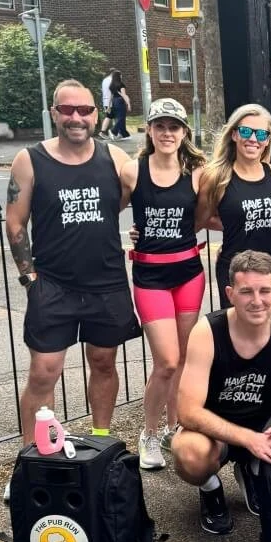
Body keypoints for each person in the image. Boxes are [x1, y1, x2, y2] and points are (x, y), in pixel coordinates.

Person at [3, 78, 140, 498]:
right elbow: (15, 223)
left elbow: (137, 196)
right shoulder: (30, 160)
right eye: (68, 110)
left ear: (96, 114)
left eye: (84, 110)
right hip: (55, 285)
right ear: (55, 113)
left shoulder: (115, 157)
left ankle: (99, 444)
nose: (77, 118)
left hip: (106, 281)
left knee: (103, 362)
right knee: (44, 371)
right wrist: (29, 277)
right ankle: (31, 460)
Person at [171, 250, 271, 534]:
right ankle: (211, 489)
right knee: (188, 453)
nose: (257, 301)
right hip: (215, 430)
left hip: (266, 423)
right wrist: (248, 439)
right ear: (230, 293)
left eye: (265, 291)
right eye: (246, 292)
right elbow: (188, 411)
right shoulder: (207, 331)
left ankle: (254, 469)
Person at [120, 97, 207, 471]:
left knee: (184, 360)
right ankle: (150, 433)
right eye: (160, 126)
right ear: (150, 130)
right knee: (167, 361)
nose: (167, 133)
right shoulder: (133, 171)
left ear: (184, 132)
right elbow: (110, 208)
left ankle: (175, 427)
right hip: (151, 275)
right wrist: (129, 232)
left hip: (188, 272)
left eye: (174, 127)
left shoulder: (198, 172)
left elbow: (211, 215)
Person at [197, 103, 271, 312]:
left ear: (268, 140)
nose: (253, 139)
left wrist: (247, 221)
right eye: (246, 131)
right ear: (234, 135)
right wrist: (234, 225)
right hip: (237, 274)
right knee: (240, 340)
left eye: (261, 134)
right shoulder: (217, 177)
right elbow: (200, 220)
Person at [109, 71, 131, 139]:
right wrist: (128, 104)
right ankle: (113, 131)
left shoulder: (112, 85)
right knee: (121, 117)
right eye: (120, 75)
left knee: (119, 117)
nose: (121, 76)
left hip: (114, 101)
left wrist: (109, 105)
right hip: (120, 101)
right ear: (118, 76)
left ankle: (123, 134)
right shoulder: (121, 85)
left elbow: (111, 96)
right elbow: (124, 95)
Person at [99, 70, 116, 138]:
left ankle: (104, 132)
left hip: (105, 100)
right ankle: (111, 132)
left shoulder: (105, 80)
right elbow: (112, 92)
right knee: (111, 117)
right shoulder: (112, 81)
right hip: (110, 102)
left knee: (109, 117)